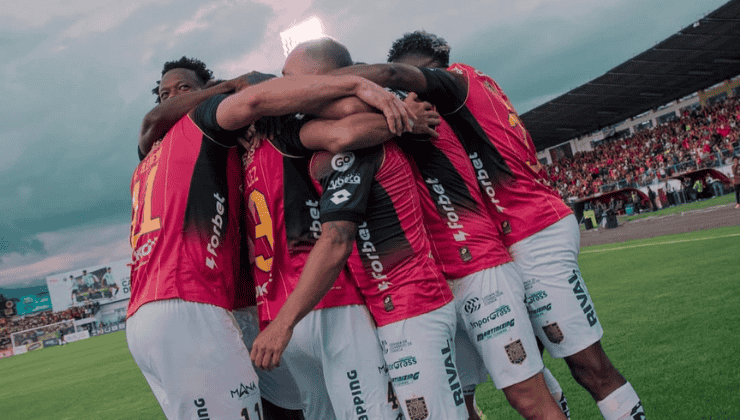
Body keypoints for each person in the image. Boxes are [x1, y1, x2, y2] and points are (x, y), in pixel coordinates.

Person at [331, 30, 645, 420]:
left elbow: (392, 77)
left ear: (424, 70)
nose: (410, 94)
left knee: (586, 366)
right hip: (509, 236)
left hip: (530, 231)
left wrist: (330, 82)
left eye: (413, 82)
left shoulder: (453, 83)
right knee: (531, 368)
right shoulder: (462, 95)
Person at [127, 56, 409, 420]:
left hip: (241, 307)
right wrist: (373, 94)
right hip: (203, 300)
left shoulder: (158, 160)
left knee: (290, 408)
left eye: (183, 89)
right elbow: (260, 99)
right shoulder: (199, 128)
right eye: (165, 93)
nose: (174, 98)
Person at [250, 40, 470, 420]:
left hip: (413, 303)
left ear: (326, 80)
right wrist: (403, 118)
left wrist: (282, 324)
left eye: (291, 78)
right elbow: (340, 126)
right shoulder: (321, 129)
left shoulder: (361, 136)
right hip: (388, 307)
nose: (284, 88)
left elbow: (337, 237)